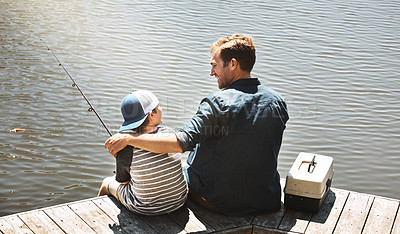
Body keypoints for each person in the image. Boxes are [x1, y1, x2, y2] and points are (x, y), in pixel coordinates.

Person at [105, 34, 289, 216]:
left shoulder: (218, 102)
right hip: (266, 199)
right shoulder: (277, 101)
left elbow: (180, 143)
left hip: (218, 201)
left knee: (176, 169)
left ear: (233, 64)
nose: (211, 73)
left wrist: (129, 138)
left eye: (214, 66)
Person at [98, 90, 188, 215]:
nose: (161, 109)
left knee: (106, 183)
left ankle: (98, 216)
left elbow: (123, 181)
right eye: (159, 107)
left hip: (144, 208)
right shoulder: (169, 133)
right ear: (151, 115)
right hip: (178, 201)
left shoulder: (126, 147)